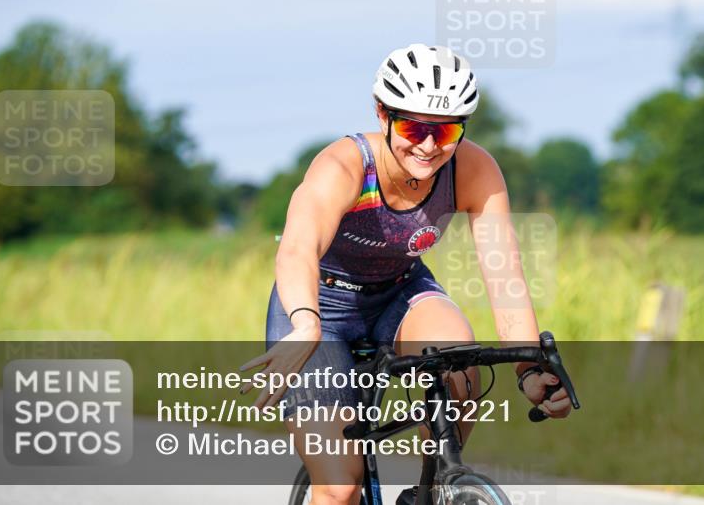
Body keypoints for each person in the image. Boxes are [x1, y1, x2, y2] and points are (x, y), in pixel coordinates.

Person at [241, 44, 571, 505]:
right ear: (382, 113)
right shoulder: (344, 165)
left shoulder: (474, 169)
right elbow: (298, 249)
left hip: (400, 292)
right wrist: (305, 322)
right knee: (339, 486)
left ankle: (431, 490)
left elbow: (505, 276)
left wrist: (528, 368)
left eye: (446, 130)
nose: (429, 145)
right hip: (321, 305)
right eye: (414, 126)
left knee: (459, 361)